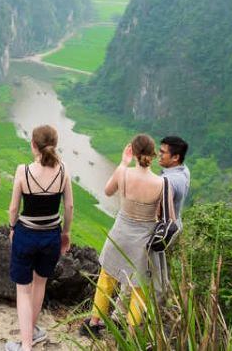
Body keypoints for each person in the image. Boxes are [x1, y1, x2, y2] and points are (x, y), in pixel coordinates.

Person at [81, 134, 167, 336]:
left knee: (107, 277)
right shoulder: (161, 183)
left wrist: (122, 163)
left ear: (134, 152)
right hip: (143, 240)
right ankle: (130, 334)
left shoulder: (123, 173)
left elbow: (108, 191)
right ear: (152, 154)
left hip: (120, 234)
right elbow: (161, 215)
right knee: (138, 287)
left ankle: (94, 323)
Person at [5, 125, 74, 351]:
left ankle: (26, 345)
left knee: (23, 290)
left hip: (26, 234)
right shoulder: (63, 170)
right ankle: (32, 332)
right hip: (51, 235)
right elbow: (69, 206)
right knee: (40, 285)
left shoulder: (23, 171)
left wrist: (12, 227)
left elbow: (13, 208)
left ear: (33, 144)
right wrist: (66, 233)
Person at [158, 136, 190, 229]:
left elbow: (160, 211)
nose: (159, 154)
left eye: (163, 152)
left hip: (164, 231)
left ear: (175, 157)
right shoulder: (184, 170)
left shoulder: (168, 181)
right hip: (176, 223)